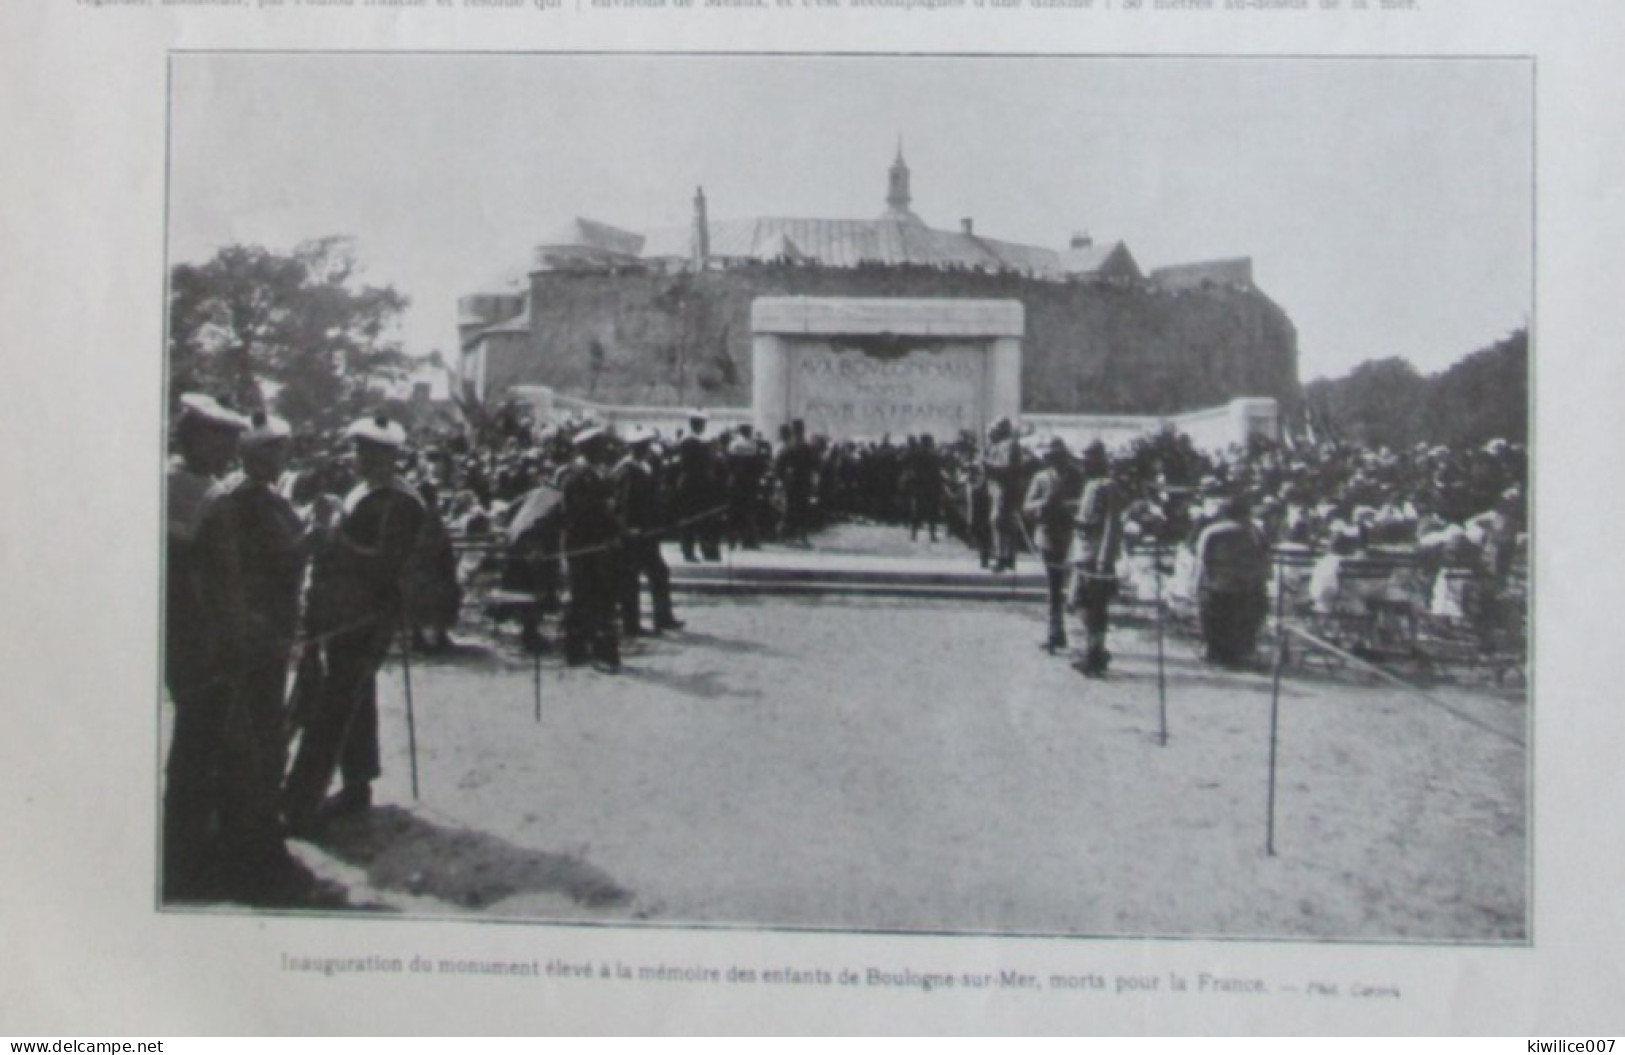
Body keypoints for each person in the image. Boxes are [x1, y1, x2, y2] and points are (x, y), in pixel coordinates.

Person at [192, 411, 339, 904]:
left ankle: (256, 833)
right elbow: (273, 561)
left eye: (284, 448)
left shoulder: (268, 496)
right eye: (275, 449)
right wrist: (316, 533)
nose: (284, 457)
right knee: (256, 736)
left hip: (272, 629)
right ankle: (250, 845)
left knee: (264, 731)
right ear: (254, 455)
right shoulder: (245, 499)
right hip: (253, 631)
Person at [283, 414, 427, 833]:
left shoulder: (400, 501)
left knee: (330, 707)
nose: (359, 456)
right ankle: (357, 785)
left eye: (369, 450)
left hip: (367, 614)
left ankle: (300, 803)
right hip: (337, 608)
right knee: (354, 700)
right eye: (358, 447)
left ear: (390, 456)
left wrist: (335, 540)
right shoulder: (360, 490)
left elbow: (386, 564)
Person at [163, 394, 247, 900]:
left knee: (203, 743)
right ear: (193, 435)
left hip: (200, 635)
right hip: (200, 639)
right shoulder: (191, 489)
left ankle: (191, 846)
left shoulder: (186, 483)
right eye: (220, 437)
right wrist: (226, 635)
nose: (229, 448)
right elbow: (192, 580)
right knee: (198, 745)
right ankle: (186, 857)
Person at [559, 426, 623, 671]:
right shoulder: (576, 477)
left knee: (603, 598)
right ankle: (578, 650)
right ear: (588, 449)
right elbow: (577, 515)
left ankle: (601, 650)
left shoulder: (599, 473)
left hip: (601, 546)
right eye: (599, 447)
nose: (604, 451)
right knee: (584, 597)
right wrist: (604, 530)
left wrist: (613, 531)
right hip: (584, 547)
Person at [614, 426, 683, 638]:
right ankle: (631, 625)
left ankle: (663, 617)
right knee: (631, 579)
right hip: (634, 535)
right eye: (641, 446)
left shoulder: (645, 466)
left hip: (648, 533)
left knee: (660, 573)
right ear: (634, 448)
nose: (645, 449)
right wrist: (627, 528)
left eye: (645, 445)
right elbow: (622, 504)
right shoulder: (626, 470)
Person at [1192, 494, 1271, 667]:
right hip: (1247, 589)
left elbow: (1202, 562)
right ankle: (1242, 648)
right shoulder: (1256, 532)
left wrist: (1197, 587)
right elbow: (1265, 562)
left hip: (1218, 588)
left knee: (1210, 605)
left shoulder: (1212, 532)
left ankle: (1214, 648)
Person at [1023, 437, 1083, 652]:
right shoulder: (1041, 478)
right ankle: (1055, 632)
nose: (1055, 460)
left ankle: (1086, 637)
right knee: (1054, 587)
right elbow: (1027, 507)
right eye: (1051, 456)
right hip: (1049, 534)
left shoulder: (1077, 476)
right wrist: (1043, 504)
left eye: (1058, 455)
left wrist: (1069, 506)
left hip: (1072, 535)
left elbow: (1085, 503)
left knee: (1078, 587)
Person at [1072, 441, 1124, 676]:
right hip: (1084, 552)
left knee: (1095, 607)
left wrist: (1104, 559)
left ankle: (1095, 653)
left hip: (1095, 555)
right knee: (1083, 603)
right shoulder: (1090, 485)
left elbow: (1112, 524)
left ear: (1099, 462)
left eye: (1088, 461)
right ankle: (1091, 649)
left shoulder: (1108, 486)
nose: (1083, 465)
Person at [677, 412, 722, 562]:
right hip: (695, 483)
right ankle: (693, 550)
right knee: (694, 518)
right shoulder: (692, 442)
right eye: (700, 423)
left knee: (701, 518)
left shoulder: (696, 441)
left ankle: (702, 549)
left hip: (698, 483)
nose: (702, 426)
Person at [982, 418, 1025, 572]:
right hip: (998, 488)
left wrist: (988, 466)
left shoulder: (1009, 445)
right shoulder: (997, 445)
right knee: (1000, 523)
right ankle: (1005, 556)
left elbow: (1008, 468)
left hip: (1006, 488)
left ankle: (1004, 557)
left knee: (1000, 522)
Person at [906, 433, 945, 542]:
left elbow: (911, 469)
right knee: (931, 512)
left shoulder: (916, 455)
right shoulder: (932, 456)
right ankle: (931, 535)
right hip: (929, 486)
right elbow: (937, 471)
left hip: (920, 486)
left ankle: (914, 535)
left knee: (918, 512)